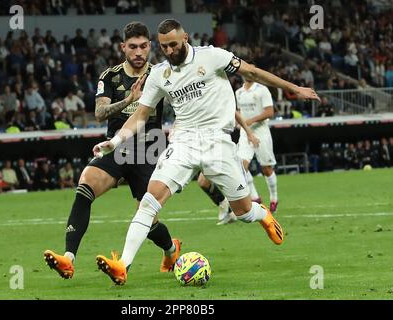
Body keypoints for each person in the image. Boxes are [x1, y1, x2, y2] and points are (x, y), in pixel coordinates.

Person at [93, 19, 320, 285]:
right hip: (184, 142)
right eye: (164, 46)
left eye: (174, 45)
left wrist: (294, 89)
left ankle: (263, 215)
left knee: (243, 212)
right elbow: (141, 115)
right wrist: (116, 140)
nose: (169, 51)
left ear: (185, 38)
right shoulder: (159, 75)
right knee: (148, 201)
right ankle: (123, 265)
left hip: (219, 143)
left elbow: (253, 72)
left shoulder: (213, 56)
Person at [43, 22, 180, 280]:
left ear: (150, 46)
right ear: (123, 48)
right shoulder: (110, 76)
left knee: (148, 218)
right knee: (85, 185)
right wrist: (129, 100)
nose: (138, 52)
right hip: (116, 145)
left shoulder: (162, 74)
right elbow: (99, 113)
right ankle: (68, 259)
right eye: (132, 47)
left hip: (149, 149)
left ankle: (171, 249)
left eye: (142, 46)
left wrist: (178, 130)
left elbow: (181, 105)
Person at [235, 79, 279, 212]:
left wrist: (250, 121)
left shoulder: (262, 90)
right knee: (241, 166)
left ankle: (274, 198)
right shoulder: (239, 92)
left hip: (261, 131)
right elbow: (238, 111)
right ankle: (255, 197)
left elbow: (270, 112)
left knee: (266, 169)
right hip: (245, 132)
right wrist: (239, 122)